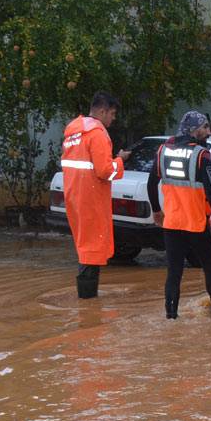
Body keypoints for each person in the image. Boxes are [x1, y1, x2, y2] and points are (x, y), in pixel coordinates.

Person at [147, 111, 211, 319]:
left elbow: (151, 183)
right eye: (206, 127)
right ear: (194, 130)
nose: (209, 132)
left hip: (172, 223)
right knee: (210, 267)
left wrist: (156, 210)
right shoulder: (201, 155)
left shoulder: (163, 150)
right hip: (196, 224)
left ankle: (170, 317)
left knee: (174, 273)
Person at [61, 92, 131, 299]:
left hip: (74, 195)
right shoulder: (97, 134)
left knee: (85, 246)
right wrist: (119, 160)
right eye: (112, 113)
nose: (114, 118)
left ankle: (88, 304)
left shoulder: (73, 132)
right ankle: (88, 303)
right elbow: (105, 171)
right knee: (91, 249)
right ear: (102, 111)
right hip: (91, 199)